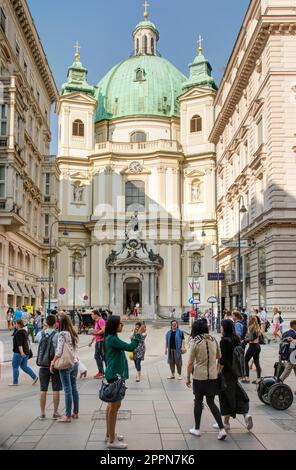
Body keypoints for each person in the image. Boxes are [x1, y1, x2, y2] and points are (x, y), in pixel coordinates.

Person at [104, 315, 146, 449]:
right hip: (114, 375)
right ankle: (111, 441)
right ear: (114, 326)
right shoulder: (112, 339)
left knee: (111, 406)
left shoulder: (112, 337)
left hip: (113, 374)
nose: (122, 325)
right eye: (120, 323)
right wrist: (138, 335)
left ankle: (109, 434)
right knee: (114, 407)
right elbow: (131, 347)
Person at [186, 320, 227, 441]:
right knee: (211, 402)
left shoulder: (195, 341)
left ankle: (197, 428)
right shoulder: (213, 339)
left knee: (198, 402)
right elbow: (219, 357)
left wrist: (188, 378)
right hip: (212, 376)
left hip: (199, 376)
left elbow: (190, 363)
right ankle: (221, 428)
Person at [213, 319, 253, 431]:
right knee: (236, 394)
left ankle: (226, 423)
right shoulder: (236, 338)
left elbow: (223, 361)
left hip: (226, 373)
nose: (220, 328)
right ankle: (246, 415)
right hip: (235, 372)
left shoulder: (224, 341)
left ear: (225, 328)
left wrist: (217, 372)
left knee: (226, 397)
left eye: (221, 326)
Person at [50, 314, 79, 423]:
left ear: (60, 323)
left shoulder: (62, 334)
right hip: (74, 362)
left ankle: (67, 416)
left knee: (67, 389)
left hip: (66, 364)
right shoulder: (73, 333)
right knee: (74, 388)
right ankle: (75, 412)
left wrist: (53, 361)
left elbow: (59, 351)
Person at [35, 315, 62, 420]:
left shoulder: (40, 334)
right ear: (55, 323)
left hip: (42, 364)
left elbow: (38, 343)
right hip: (54, 364)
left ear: (46, 322)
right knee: (56, 389)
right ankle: (55, 413)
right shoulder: (58, 335)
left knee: (43, 389)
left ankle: (42, 413)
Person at [9, 320, 38, 386]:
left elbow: (20, 344)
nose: (15, 325)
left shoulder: (18, 333)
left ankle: (15, 382)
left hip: (19, 353)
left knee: (15, 366)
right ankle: (34, 377)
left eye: (15, 323)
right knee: (24, 366)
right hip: (27, 351)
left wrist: (21, 352)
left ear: (18, 324)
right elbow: (28, 342)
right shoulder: (24, 331)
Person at [242, 316, 262, 384]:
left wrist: (245, 340)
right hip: (257, 346)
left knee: (245, 360)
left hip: (252, 346)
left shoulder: (251, 327)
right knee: (257, 362)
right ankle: (258, 378)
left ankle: (247, 378)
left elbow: (251, 338)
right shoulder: (257, 327)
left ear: (250, 320)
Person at [89, 310, 106, 379]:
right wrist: (91, 341)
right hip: (98, 341)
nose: (91, 316)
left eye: (92, 314)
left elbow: (103, 330)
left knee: (97, 356)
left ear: (96, 314)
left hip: (101, 341)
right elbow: (97, 332)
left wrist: (96, 333)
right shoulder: (96, 322)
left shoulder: (100, 320)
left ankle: (101, 372)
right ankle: (104, 371)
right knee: (102, 356)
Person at [279, 320, 296, 386]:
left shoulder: (285, 333)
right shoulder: (294, 334)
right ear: (294, 325)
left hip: (286, 355)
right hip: (293, 355)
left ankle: (280, 381)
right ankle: (280, 381)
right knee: (288, 369)